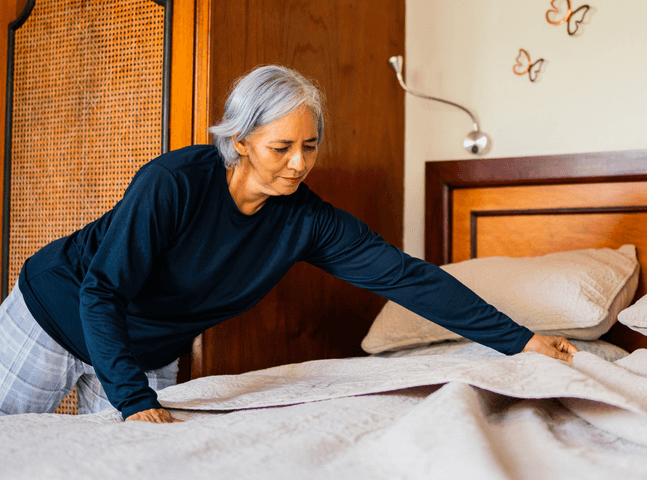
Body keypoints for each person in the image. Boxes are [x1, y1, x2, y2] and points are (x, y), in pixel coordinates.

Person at [0, 65, 577, 423]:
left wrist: (520, 341)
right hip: (52, 317)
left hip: (143, 352)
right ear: (242, 139)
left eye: (311, 145)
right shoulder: (174, 182)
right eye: (282, 147)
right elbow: (101, 290)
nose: (300, 163)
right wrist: (135, 402)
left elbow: (407, 278)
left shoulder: (307, 221)